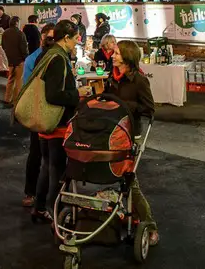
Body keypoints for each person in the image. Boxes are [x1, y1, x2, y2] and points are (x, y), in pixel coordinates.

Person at [32, 20, 92, 222]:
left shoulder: (47, 54)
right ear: (66, 38)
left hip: (45, 121)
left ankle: (40, 208)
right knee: (56, 170)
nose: (76, 43)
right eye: (75, 39)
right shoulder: (58, 59)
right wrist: (77, 93)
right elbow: (54, 95)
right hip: (56, 122)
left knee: (47, 165)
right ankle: (55, 212)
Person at [103, 40, 158, 246]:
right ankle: (131, 215)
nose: (112, 55)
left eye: (117, 53)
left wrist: (126, 105)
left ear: (127, 57)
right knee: (121, 180)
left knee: (129, 181)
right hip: (112, 133)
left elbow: (149, 109)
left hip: (130, 134)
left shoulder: (139, 80)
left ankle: (149, 224)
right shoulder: (113, 77)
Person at [20, 23, 55, 208]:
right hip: (39, 112)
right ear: (42, 38)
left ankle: (51, 194)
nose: (52, 41)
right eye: (49, 38)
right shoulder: (33, 60)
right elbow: (29, 88)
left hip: (55, 113)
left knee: (53, 156)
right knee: (36, 153)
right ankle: (31, 192)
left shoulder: (59, 56)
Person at [2, 16, 28, 106]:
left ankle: (7, 99)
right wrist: (26, 57)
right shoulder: (20, 33)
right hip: (20, 60)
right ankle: (16, 101)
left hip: (10, 60)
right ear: (17, 23)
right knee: (19, 81)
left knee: (10, 79)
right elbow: (24, 48)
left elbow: (3, 46)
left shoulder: (5, 33)